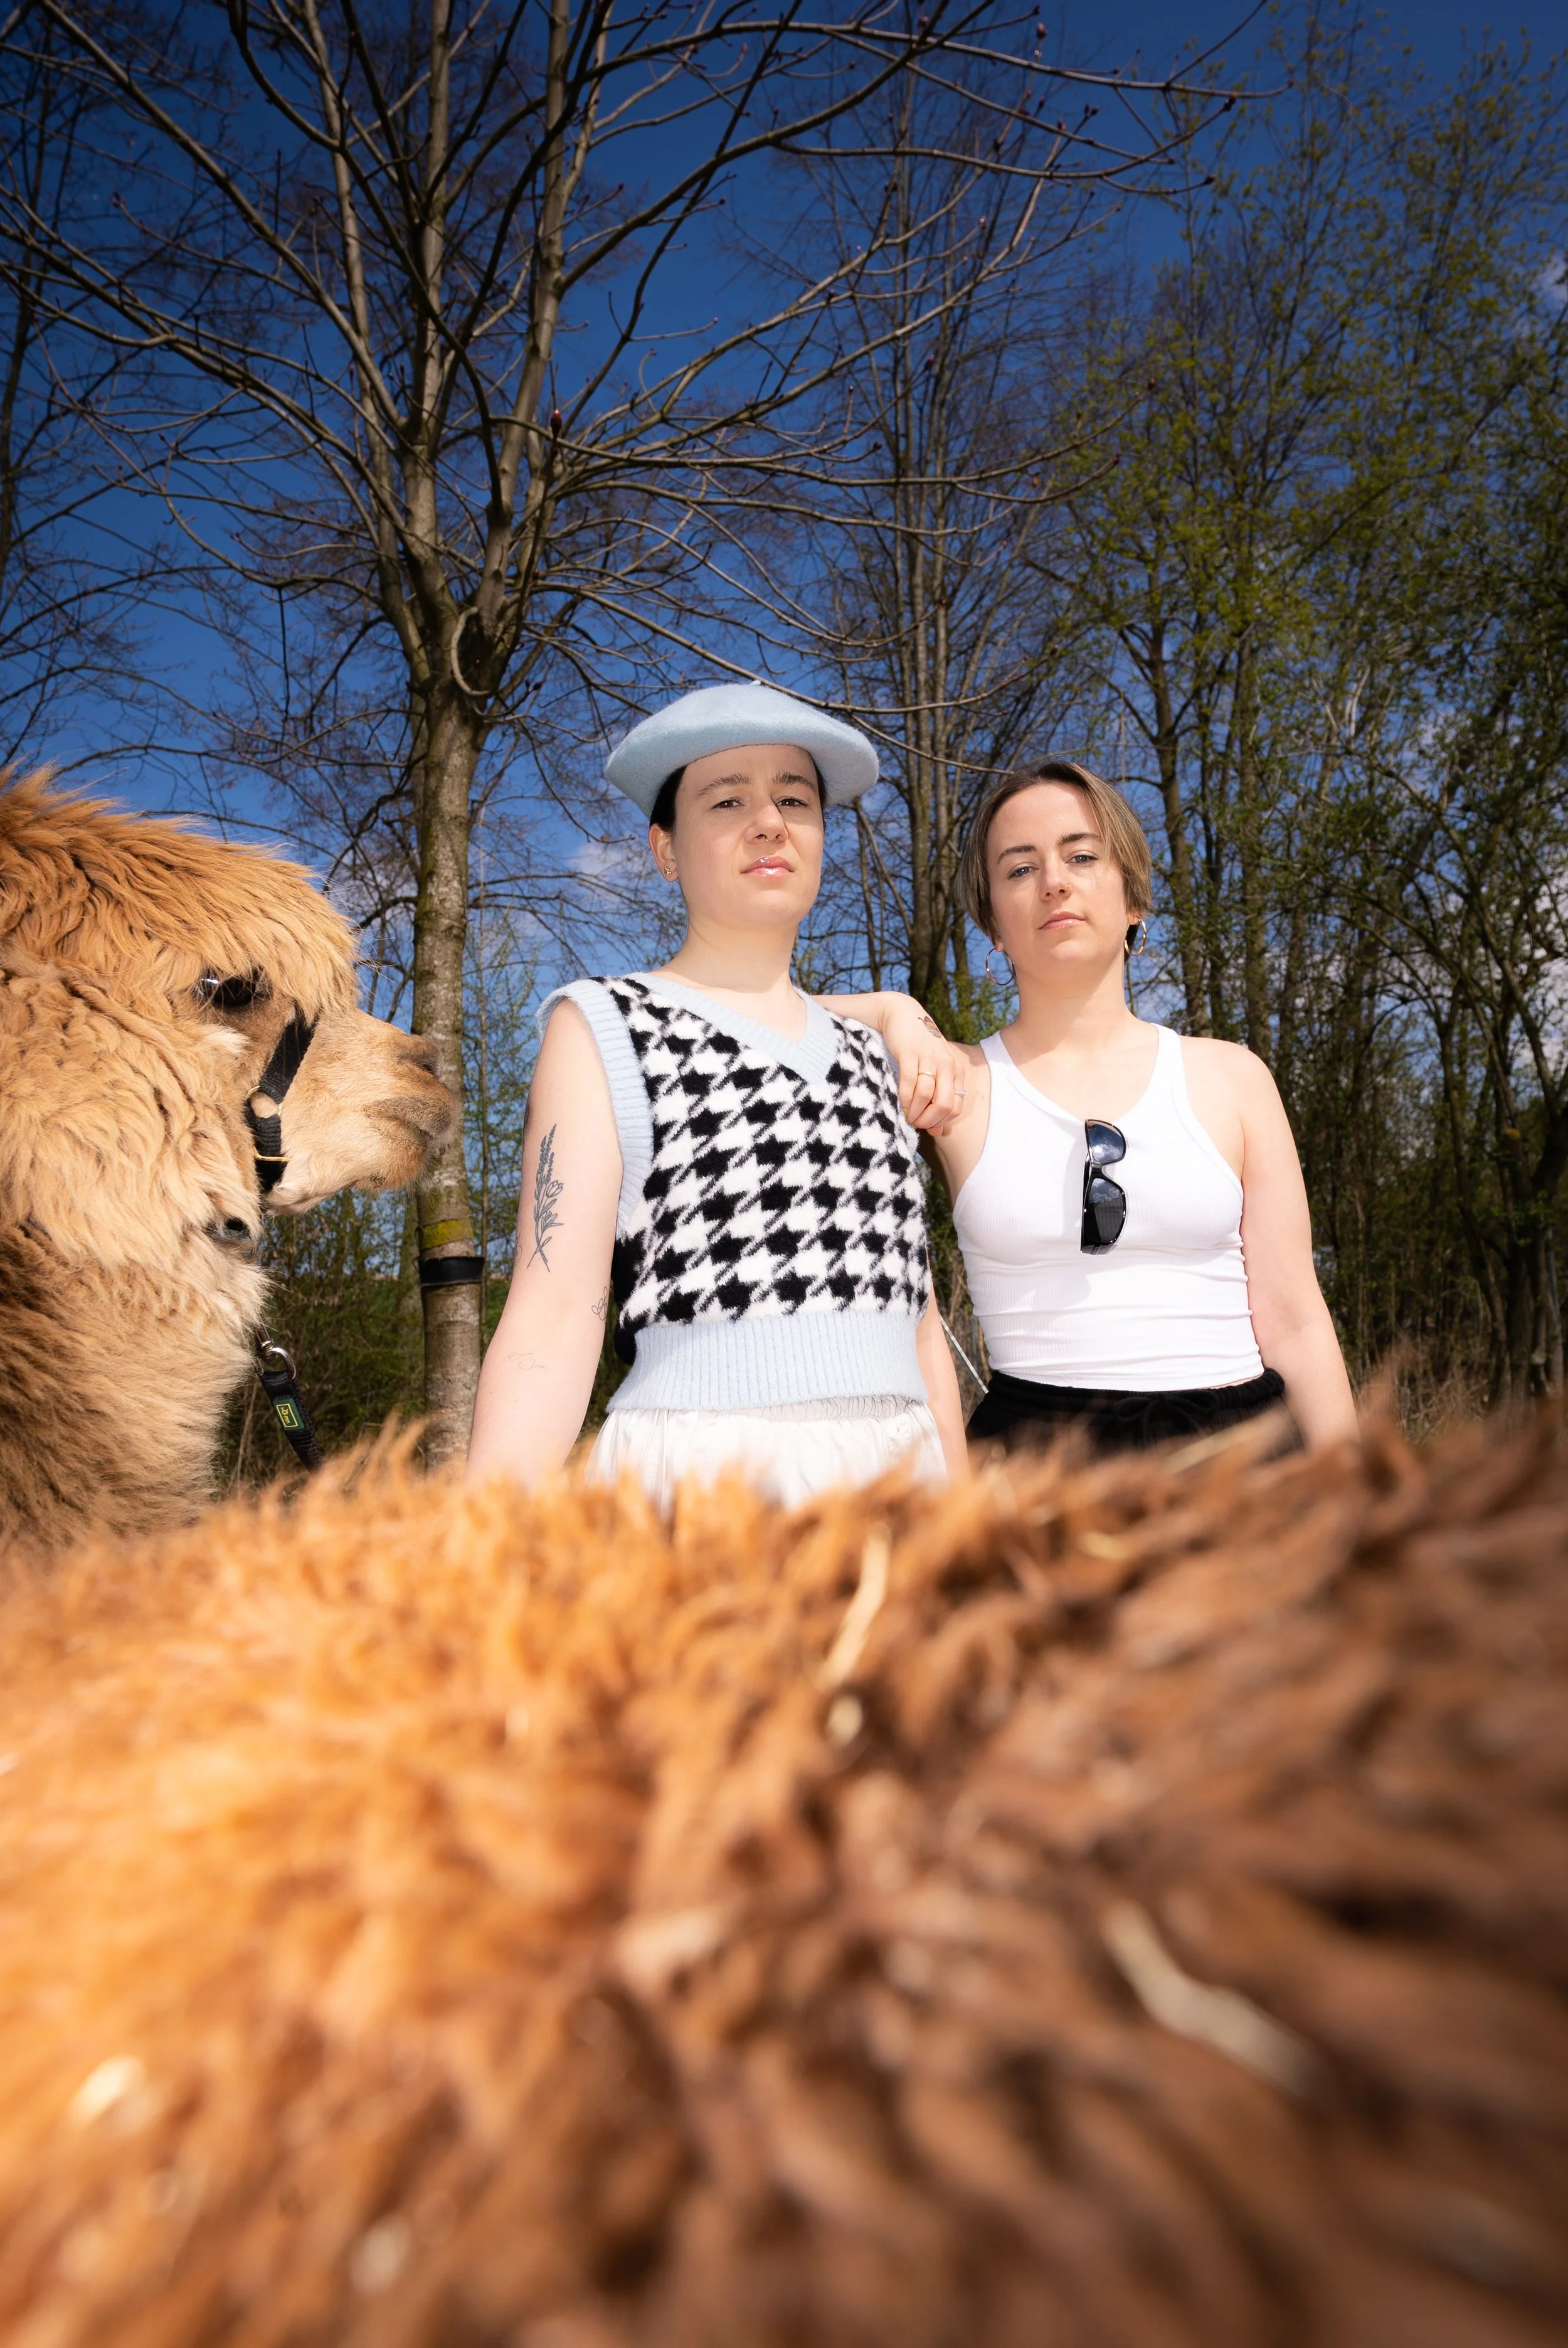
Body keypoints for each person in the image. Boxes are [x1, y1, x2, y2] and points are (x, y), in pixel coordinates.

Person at [466, 681, 971, 1507]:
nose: (769, 821)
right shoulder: (603, 1025)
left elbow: (920, 1330)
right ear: (665, 850)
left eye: (795, 799)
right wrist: (482, 1533)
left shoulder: (877, 1053)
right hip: (701, 1489)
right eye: (727, 800)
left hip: (901, 1487)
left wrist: (968, 1525)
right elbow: (553, 1312)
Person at [932, 757, 1357, 1456]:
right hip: (1035, 1472)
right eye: (1020, 868)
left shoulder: (1234, 1078)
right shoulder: (951, 1085)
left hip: (1243, 1465)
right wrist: (889, 1013)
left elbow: (1296, 1319)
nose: (1054, 881)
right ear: (993, 924)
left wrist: (1358, 1495)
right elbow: (770, 1017)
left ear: (1134, 898)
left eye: (1082, 856)